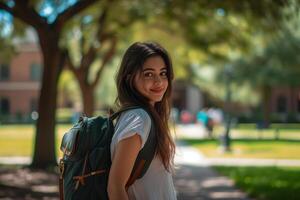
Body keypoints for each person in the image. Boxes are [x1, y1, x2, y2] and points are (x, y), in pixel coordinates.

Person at [108, 42, 177, 200]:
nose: (159, 82)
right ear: (129, 78)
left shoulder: (141, 116)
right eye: (148, 74)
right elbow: (115, 187)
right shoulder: (139, 119)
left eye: (163, 73)